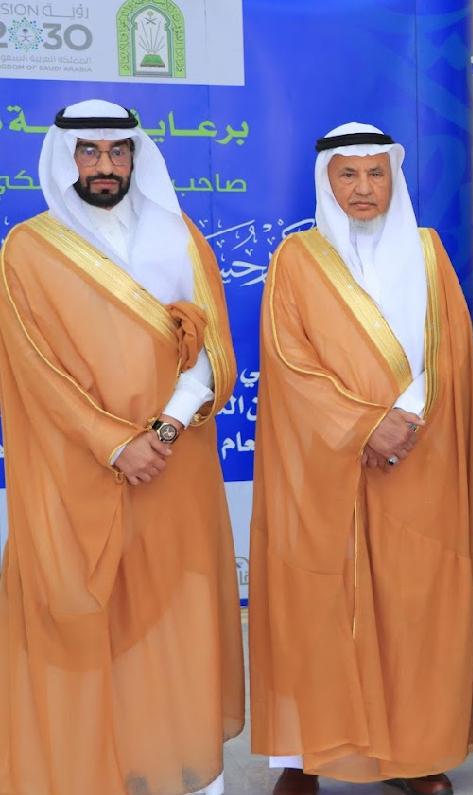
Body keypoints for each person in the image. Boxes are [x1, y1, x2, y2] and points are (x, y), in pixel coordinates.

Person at [0, 99, 242, 794]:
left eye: (117, 151)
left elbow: (212, 349)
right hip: (77, 474)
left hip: (174, 465)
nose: (104, 165)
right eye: (90, 151)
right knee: (87, 624)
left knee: (175, 618)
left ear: (135, 157)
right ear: (66, 158)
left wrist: (161, 431)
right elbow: (36, 371)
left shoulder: (180, 235)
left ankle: (183, 770)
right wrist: (115, 444)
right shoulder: (29, 250)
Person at [249, 123, 473, 795]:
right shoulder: (296, 259)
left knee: (418, 608)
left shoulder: (428, 250)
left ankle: (416, 756)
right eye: (348, 174)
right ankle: (305, 757)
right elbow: (289, 362)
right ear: (326, 180)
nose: (363, 187)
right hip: (326, 469)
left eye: (375, 173)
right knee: (318, 606)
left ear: (393, 180)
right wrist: (364, 426)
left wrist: (403, 421)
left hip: (422, 457)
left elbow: (452, 349)